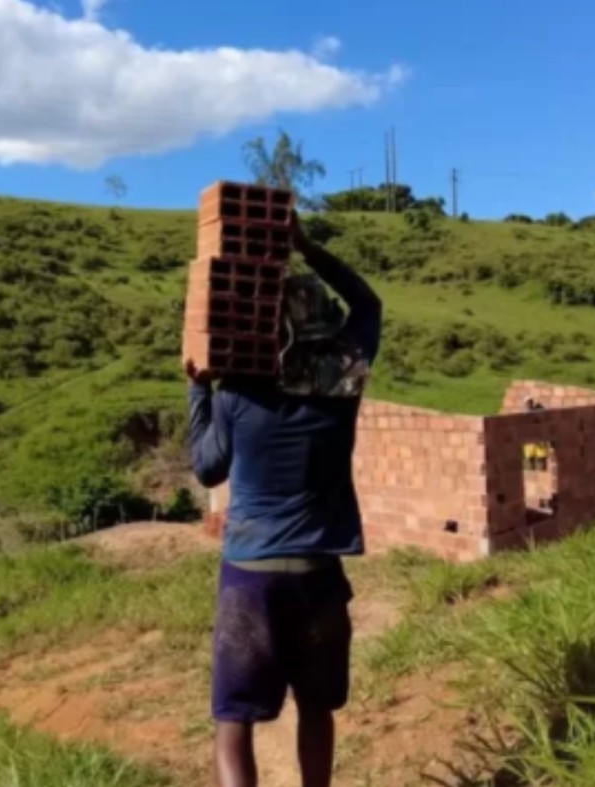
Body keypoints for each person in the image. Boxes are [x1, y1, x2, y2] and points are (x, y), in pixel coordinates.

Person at [186, 212, 382, 787]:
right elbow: (367, 304)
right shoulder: (345, 385)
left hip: (252, 578)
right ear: (323, 329)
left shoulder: (240, 392)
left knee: (233, 721)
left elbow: (206, 467)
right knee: (316, 707)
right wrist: (306, 245)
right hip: (320, 575)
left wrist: (198, 387)